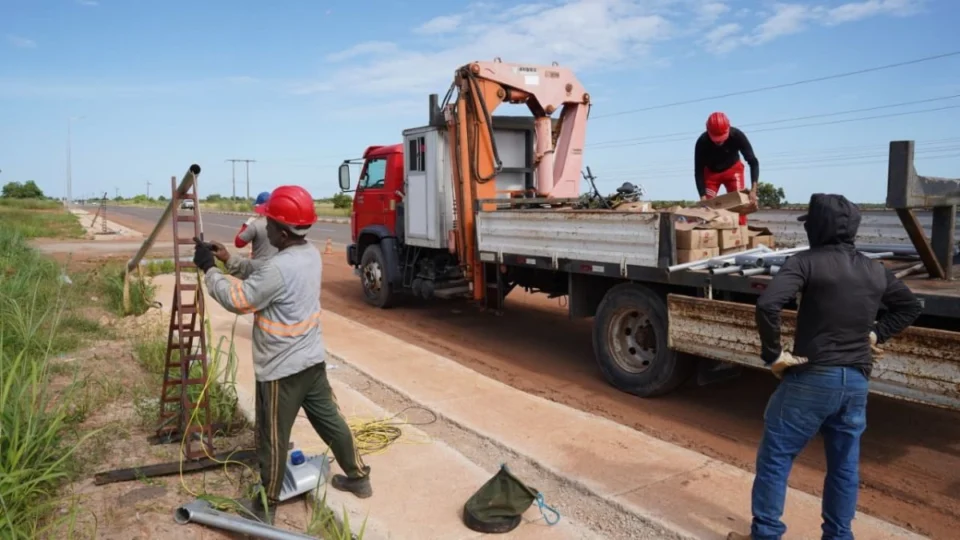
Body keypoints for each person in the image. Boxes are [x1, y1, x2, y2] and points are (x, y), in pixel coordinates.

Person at [727, 193, 922, 540]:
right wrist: (876, 334)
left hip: (812, 378)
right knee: (844, 468)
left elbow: (768, 305)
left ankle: (766, 534)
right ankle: (838, 536)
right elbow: (909, 306)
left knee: (776, 458)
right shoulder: (875, 269)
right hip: (857, 383)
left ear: (816, 228)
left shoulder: (805, 262)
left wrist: (773, 355)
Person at [193, 185, 371, 524]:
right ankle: (359, 477)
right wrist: (229, 260)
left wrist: (209, 271)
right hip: (311, 361)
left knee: (272, 439)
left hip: (280, 370)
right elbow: (264, 277)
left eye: (270, 223)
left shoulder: (279, 268)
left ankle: (265, 504)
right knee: (331, 422)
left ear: (282, 231)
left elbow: (240, 300)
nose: (266, 227)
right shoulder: (309, 255)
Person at [694, 111, 760, 226]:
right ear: (708, 131)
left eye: (722, 138)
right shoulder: (702, 142)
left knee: (741, 205)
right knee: (707, 209)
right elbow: (698, 171)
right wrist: (703, 196)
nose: (719, 141)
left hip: (733, 171)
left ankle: (739, 237)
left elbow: (753, 162)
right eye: (716, 138)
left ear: (728, 128)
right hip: (711, 175)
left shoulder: (737, 136)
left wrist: (753, 190)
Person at [235, 191, 278, 260]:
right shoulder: (281, 223)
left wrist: (247, 224)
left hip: (259, 264)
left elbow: (239, 243)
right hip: (278, 264)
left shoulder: (255, 224)